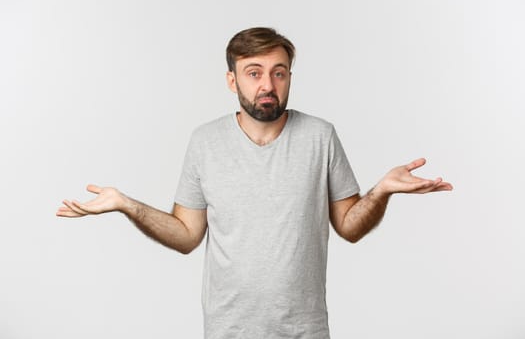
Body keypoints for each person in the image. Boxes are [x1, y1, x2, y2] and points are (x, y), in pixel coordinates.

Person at [57, 27, 453, 339]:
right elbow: (186, 235)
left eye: (278, 73)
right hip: (229, 329)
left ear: (289, 78)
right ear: (232, 81)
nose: (268, 84)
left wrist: (381, 191)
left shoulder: (320, 136)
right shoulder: (205, 142)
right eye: (254, 73)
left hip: (305, 330)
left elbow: (349, 226)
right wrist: (129, 205)